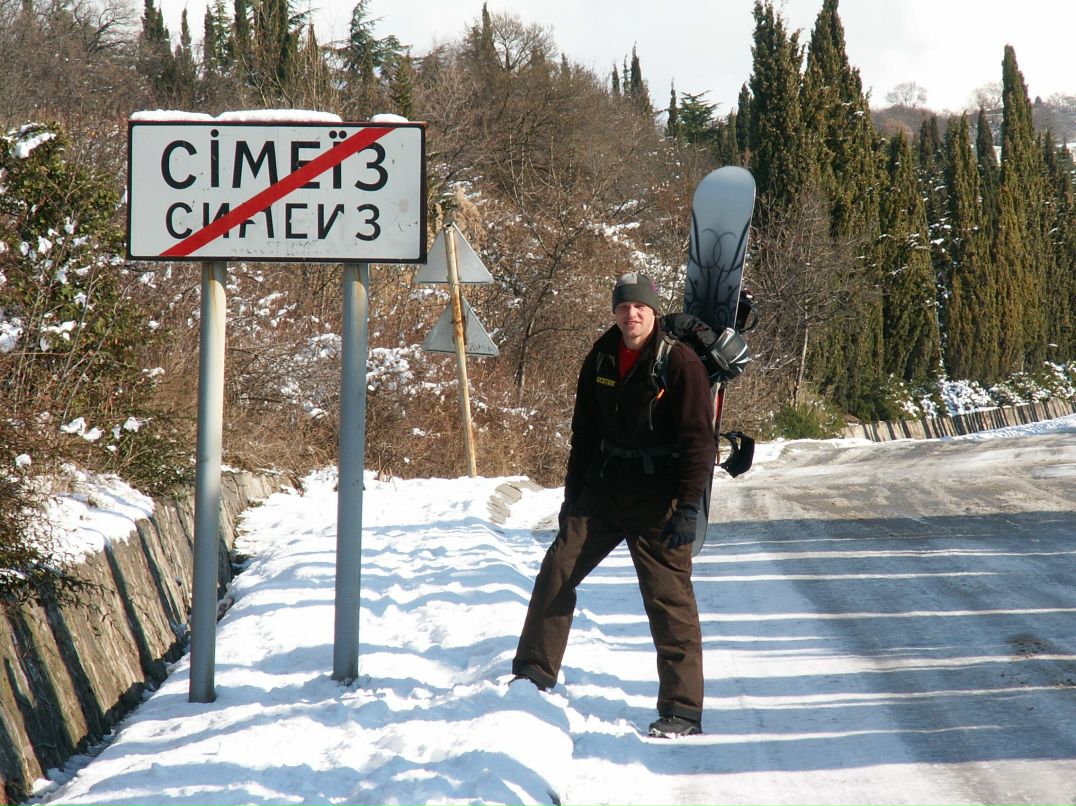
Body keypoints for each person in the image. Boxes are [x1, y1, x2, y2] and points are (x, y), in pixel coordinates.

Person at [512, 271, 715, 738]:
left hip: (658, 500)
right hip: (603, 491)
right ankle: (532, 675)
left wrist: (688, 507)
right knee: (557, 569)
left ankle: (682, 711)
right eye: (624, 306)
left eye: (640, 306)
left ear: (653, 310)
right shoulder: (600, 356)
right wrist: (571, 500)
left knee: (669, 602)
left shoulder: (679, 362)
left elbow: (699, 443)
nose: (632, 314)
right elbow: (584, 435)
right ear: (615, 311)